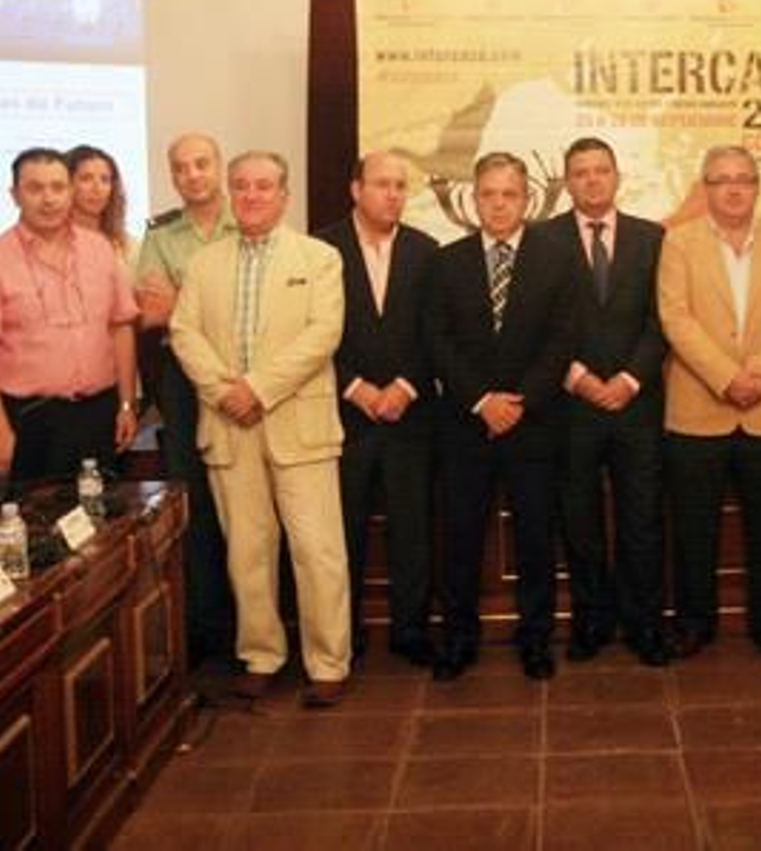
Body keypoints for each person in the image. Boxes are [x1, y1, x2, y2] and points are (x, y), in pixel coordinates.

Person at [169, 151, 352, 707]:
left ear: (284, 195)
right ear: (230, 192)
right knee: (247, 551)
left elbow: (323, 335)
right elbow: (184, 332)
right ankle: (262, 654)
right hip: (229, 425)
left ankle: (328, 662)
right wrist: (226, 392)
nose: (251, 196)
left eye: (264, 186)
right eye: (242, 186)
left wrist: (259, 389)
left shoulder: (318, 258)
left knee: (317, 550)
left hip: (298, 423)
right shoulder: (205, 264)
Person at [657, 145, 761, 661]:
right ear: (706, 188)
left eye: (743, 179)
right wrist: (727, 378)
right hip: (698, 411)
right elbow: (675, 319)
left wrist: (760, 373)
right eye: (721, 179)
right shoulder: (678, 244)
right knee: (692, 530)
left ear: (757, 185)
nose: (733, 188)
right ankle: (694, 624)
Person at [430, 153, 577, 682]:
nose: (497, 203)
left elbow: (563, 339)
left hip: (533, 423)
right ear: (474, 198)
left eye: (508, 194)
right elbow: (437, 341)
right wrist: (482, 402)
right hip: (466, 425)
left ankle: (535, 639)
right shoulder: (446, 262)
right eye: (488, 194)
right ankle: (459, 638)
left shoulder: (557, 258)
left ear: (527, 199)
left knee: (536, 537)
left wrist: (519, 402)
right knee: (462, 538)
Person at [544, 137, 670, 667]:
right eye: (580, 173)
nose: (592, 180)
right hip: (571, 406)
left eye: (601, 171)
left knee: (642, 517)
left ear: (617, 177)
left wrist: (629, 379)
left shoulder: (653, 238)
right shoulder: (543, 240)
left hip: (636, 404)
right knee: (580, 520)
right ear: (567, 182)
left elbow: (663, 318)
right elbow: (539, 323)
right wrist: (578, 378)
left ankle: (643, 623)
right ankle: (591, 620)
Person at [317, 152, 440, 667]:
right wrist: (358, 389)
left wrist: (405, 387)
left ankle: (410, 630)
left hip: (409, 416)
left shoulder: (426, 250)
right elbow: (311, 336)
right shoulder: (319, 250)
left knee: (412, 529)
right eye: (382, 184)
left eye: (400, 186)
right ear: (355, 189)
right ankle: (344, 634)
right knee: (340, 532)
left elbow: (436, 332)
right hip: (343, 416)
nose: (393, 194)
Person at [0, 147, 139, 483]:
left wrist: (127, 404)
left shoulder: (100, 250)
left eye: (57, 187)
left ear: (70, 192)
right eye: (35, 188)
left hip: (99, 413)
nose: (48, 199)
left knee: (105, 525)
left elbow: (121, 326)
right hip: (29, 419)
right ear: (15, 195)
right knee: (35, 527)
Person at [136, 132, 239, 667]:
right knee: (195, 507)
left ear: (218, 167)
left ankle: (256, 629)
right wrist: (201, 309)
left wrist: (184, 303)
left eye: (202, 163)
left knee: (246, 509)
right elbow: (150, 313)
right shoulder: (161, 235)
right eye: (181, 168)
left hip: (243, 379)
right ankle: (207, 630)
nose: (192, 174)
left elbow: (255, 305)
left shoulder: (245, 220)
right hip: (182, 384)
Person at [66, 144, 138, 269]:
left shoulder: (127, 245)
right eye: (86, 179)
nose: (97, 188)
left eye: (105, 180)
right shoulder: (49, 241)